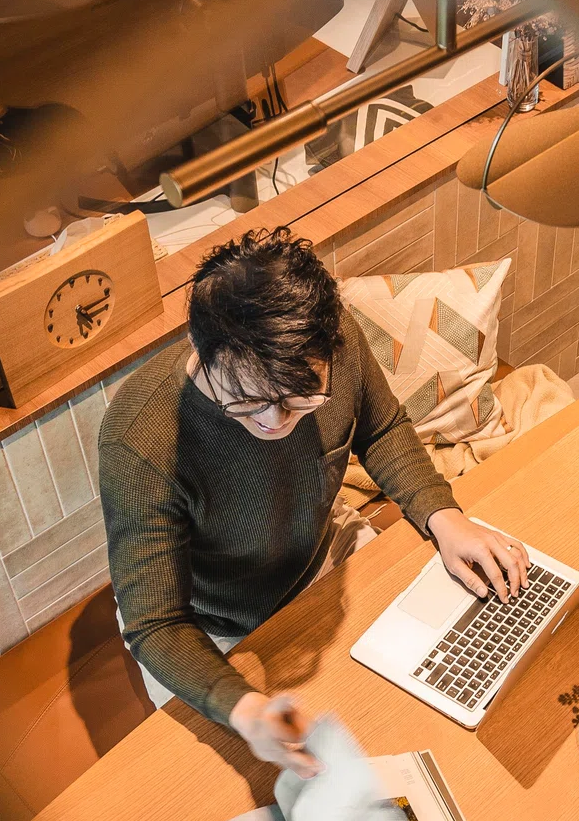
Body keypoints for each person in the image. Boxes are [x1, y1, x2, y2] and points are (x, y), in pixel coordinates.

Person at [99, 227, 527, 777]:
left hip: (324, 551)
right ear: (202, 351)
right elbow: (154, 622)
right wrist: (244, 708)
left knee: (435, 697)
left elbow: (381, 425)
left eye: (301, 401)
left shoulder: (336, 338)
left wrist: (444, 518)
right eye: (249, 400)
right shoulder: (141, 438)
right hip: (209, 622)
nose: (275, 420)